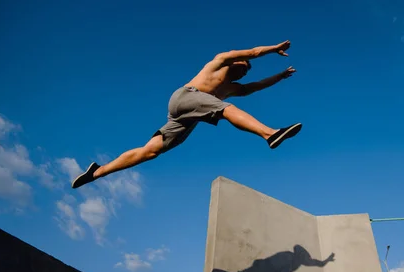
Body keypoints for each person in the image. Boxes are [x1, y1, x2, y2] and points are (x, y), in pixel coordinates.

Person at [71, 40, 301, 189]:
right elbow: (252, 52)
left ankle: (97, 172)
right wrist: (273, 49)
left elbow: (256, 86)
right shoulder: (220, 61)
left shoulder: (233, 88)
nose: (245, 69)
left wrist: (280, 77)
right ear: (235, 61)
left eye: (247, 70)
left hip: (187, 116)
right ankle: (270, 134)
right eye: (244, 65)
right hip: (186, 96)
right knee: (225, 109)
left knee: (150, 151)